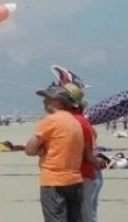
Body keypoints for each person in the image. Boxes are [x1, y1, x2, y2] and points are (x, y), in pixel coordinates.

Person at [25, 84, 85, 222]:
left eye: (47, 98)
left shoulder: (51, 120)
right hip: (75, 179)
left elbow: (29, 149)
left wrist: (39, 150)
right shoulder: (75, 121)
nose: (44, 101)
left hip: (54, 181)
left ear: (57, 101)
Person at [62, 83, 102, 222]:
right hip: (87, 174)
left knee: (84, 215)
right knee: (88, 214)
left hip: (83, 175)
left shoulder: (77, 121)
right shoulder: (82, 121)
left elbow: (87, 153)